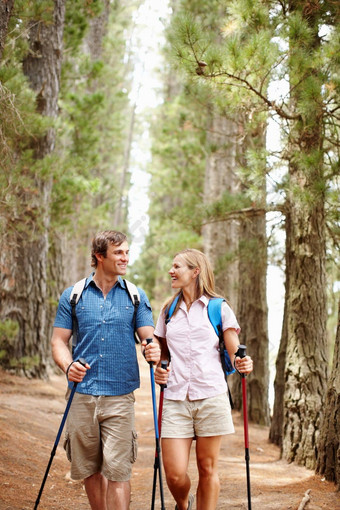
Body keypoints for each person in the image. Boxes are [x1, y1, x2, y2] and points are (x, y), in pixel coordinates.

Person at [51, 230, 160, 510]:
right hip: (81, 394)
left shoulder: (135, 296)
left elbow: (149, 336)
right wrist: (68, 365)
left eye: (126, 252)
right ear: (100, 257)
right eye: (118, 253)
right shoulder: (73, 295)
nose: (125, 258)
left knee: (118, 470)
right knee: (89, 468)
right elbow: (59, 342)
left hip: (120, 396)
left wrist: (153, 347)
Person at [154, 248, 253, 510]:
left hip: (211, 395)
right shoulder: (168, 309)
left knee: (207, 468)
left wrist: (243, 363)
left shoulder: (218, 308)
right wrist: (159, 367)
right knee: (174, 474)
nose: (171, 271)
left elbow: (235, 354)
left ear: (195, 272)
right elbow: (161, 352)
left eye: (177, 267)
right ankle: (184, 503)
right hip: (176, 398)